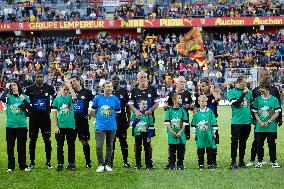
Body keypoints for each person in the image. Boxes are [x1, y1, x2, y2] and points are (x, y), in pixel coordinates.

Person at [247, 70, 283, 167]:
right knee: (257, 141)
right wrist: (255, 119)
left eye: (269, 74)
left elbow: (278, 105)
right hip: (259, 122)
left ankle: (272, 160)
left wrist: (280, 118)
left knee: (271, 142)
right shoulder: (255, 91)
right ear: (260, 76)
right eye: (266, 75)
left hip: (271, 122)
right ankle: (252, 159)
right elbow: (252, 106)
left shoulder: (274, 90)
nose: (268, 76)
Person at [24, 72, 56, 169]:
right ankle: (32, 162)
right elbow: (23, 99)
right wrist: (27, 110)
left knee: (47, 139)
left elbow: (56, 97)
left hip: (45, 118)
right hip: (34, 118)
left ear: (44, 78)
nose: (40, 78)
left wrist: (50, 107)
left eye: (41, 77)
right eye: (38, 77)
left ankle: (48, 162)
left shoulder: (49, 88)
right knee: (32, 140)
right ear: (35, 78)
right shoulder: (29, 89)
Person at [128, 71, 159, 170]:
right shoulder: (133, 91)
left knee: (148, 142)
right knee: (137, 143)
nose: (142, 78)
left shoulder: (152, 89)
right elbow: (131, 104)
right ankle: (138, 164)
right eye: (140, 77)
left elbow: (156, 103)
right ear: (137, 79)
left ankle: (149, 164)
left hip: (148, 121)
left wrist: (150, 110)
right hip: (137, 122)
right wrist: (136, 111)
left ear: (147, 78)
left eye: (144, 77)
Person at [0, 82, 31, 172]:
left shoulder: (24, 96)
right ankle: (11, 166)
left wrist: (24, 100)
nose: (13, 87)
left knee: (21, 146)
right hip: (10, 125)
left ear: (18, 87)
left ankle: (23, 166)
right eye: (12, 86)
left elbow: (30, 109)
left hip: (22, 125)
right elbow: (1, 98)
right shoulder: (9, 97)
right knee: (10, 146)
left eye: (15, 85)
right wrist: (6, 88)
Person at [91, 80, 121, 173]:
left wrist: (110, 116)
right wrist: (99, 119)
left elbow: (118, 112)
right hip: (100, 126)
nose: (110, 88)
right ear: (103, 88)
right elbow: (93, 110)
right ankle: (100, 164)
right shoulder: (97, 98)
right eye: (108, 87)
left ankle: (108, 164)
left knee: (110, 146)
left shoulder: (115, 99)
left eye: (111, 86)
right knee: (99, 146)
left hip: (112, 126)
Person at [164, 76, 193, 169]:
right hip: (173, 123)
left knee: (182, 143)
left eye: (184, 82)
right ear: (177, 83)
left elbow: (193, 105)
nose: (183, 84)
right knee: (172, 144)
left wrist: (189, 106)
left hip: (184, 122)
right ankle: (171, 162)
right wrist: (166, 106)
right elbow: (166, 105)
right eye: (181, 82)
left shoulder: (188, 93)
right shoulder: (171, 93)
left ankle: (181, 162)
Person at [252, 82, 281, 168]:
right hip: (260, 127)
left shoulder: (274, 99)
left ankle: (273, 161)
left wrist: (268, 121)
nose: (260, 90)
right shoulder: (257, 99)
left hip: (271, 127)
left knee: (272, 144)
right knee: (259, 145)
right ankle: (260, 161)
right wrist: (260, 122)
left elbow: (277, 112)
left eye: (262, 88)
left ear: (267, 89)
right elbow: (255, 112)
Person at [227, 75, 253, 170]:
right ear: (239, 82)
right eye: (245, 82)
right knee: (234, 142)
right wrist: (243, 94)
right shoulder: (231, 92)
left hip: (247, 122)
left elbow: (252, 105)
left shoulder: (249, 92)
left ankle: (241, 162)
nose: (246, 83)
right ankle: (233, 162)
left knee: (243, 142)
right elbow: (237, 105)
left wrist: (253, 118)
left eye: (247, 82)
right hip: (236, 122)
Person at [52, 82, 77, 172]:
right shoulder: (57, 99)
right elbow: (54, 114)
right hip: (61, 126)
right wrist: (56, 126)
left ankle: (71, 163)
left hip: (71, 126)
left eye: (68, 89)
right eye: (65, 89)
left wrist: (70, 87)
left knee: (71, 146)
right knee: (60, 146)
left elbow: (75, 97)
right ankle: (60, 164)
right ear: (61, 88)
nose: (66, 91)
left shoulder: (70, 97)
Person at [196, 78, 221, 167]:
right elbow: (196, 111)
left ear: (208, 86)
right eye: (201, 86)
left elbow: (218, 98)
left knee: (213, 142)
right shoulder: (200, 98)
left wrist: (211, 89)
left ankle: (213, 162)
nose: (202, 88)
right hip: (202, 124)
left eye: (203, 86)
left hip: (212, 123)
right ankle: (201, 162)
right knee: (202, 142)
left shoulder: (213, 96)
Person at [70, 76, 94, 169]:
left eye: (74, 81)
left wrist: (91, 113)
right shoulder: (70, 93)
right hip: (71, 121)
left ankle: (88, 162)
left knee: (84, 141)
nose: (73, 83)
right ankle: (71, 163)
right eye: (71, 82)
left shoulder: (87, 92)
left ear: (79, 81)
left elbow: (95, 102)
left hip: (83, 121)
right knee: (71, 142)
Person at [191, 95, 218, 170]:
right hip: (200, 135)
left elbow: (214, 122)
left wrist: (214, 132)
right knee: (200, 149)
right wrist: (194, 133)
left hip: (208, 134)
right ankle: (201, 164)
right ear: (198, 102)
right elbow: (193, 124)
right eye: (202, 101)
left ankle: (210, 163)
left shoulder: (209, 112)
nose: (204, 103)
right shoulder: (196, 112)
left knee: (209, 149)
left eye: (205, 101)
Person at [110, 74, 131, 168]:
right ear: (111, 81)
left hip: (122, 122)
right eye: (114, 79)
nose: (115, 80)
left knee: (123, 142)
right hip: (111, 122)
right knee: (111, 143)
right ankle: (110, 162)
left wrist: (129, 119)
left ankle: (126, 161)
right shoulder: (108, 91)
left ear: (119, 80)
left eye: (117, 79)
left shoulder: (124, 91)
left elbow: (128, 107)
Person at [164, 94, 188, 170]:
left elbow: (185, 122)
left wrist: (180, 132)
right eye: (179, 98)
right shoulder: (169, 110)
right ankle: (172, 164)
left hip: (181, 134)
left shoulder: (183, 110)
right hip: (172, 134)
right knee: (172, 150)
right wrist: (172, 131)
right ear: (174, 100)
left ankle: (180, 164)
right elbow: (167, 122)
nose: (181, 99)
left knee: (181, 149)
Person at [131, 98, 155, 170]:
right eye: (143, 104)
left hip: (146, 134)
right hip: (138, 134)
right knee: (138, 149)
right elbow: (132, 124)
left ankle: (148, 165)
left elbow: (151, 127)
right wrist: (137, 118)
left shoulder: (149, 115)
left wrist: (149, 136)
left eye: (146, 104)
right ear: (139, 104)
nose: (145, 105)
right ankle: (138, 165)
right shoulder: (135, 114)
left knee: (147, 149)